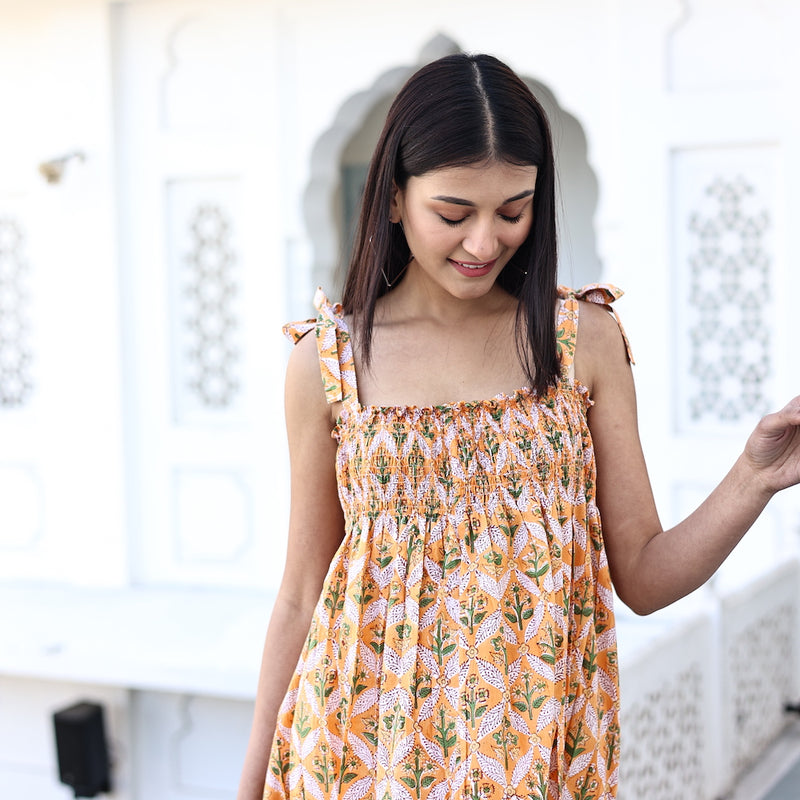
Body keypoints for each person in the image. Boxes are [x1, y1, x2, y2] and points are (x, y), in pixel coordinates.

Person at [237, 53, 800, 800]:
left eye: (513, 211)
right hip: (353, 760)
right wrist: (248, 787)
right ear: (395, 199)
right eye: (452, 213)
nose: (483, 244)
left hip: (535, 765)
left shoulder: (581, 340)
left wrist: (755, 478)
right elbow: (303, 593)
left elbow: (644, 577)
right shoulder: (327, 363)